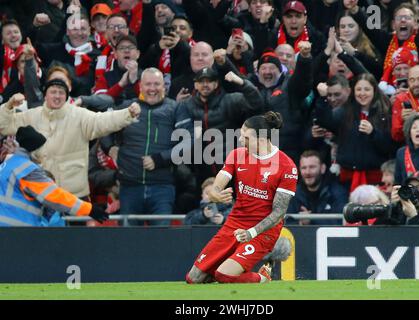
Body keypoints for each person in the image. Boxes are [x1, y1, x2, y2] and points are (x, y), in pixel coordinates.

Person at [186, 111, 298, 284]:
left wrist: (251, 233)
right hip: (234, 223)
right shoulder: (237, 155)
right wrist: (215, 194)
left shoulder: (286, 167)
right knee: (193, 279)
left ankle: (263, 277)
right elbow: (217, 185)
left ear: (261, 140)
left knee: (224, 276)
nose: (240, 140)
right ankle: (220, 273)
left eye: (245, 137)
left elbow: (278, 213)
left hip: (263, 230)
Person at [0, 79, 141, 199]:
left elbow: (103, 121)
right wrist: (8, 106)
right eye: (53, 92)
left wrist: (127, 114)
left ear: (66, 97)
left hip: (75, 194)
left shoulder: (79, 116)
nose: (57, 96)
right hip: (41, 193)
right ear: (45, 96)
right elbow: (4, 126)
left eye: (61, 93)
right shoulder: (30, 116)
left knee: (75, 232)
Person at [101, 68, 193, 226]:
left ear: (164, 86)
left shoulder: (176, 108)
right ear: (140, 86)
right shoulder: (127, 107)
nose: (152, 89)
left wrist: (159, 159)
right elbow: (103, 127)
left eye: (156, 84)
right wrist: (109, 148)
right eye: (148, 84)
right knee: (128, 243)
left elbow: (189, 141)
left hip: (162, 187)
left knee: (161, 241)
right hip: (130, 186)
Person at [0, 125, 108, 227]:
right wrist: (89, 209)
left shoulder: (7, 166)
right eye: (41, 148)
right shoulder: (27, 170)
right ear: (34, 150)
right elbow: (54, 196)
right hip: (16, 231)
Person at [315, 73, 396, 192]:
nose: (362, 93)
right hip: (347, 179)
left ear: (374, 90)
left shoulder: (384, 113)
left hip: (375, 179)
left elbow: (389, 146)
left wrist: (373, 132)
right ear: (353, 91)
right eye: (359, 89)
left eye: (367, 89)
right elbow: (326, 122)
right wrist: (322, 98)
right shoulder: (345, 111)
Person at [287, 150, 348, 225]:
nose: (307, 172)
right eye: (304, 168)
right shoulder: (292, 194)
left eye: (312, 167)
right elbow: (284, 224)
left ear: (323, 168)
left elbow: (342, 222)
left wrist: (311, 220)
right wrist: (299, 222)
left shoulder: (338, 192)